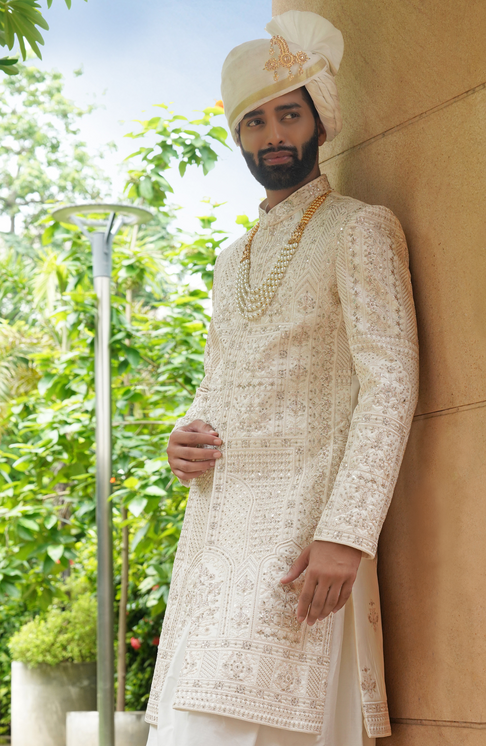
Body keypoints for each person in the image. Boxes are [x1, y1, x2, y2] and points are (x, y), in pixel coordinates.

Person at [145, 10, 419, 746]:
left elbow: (389, 384)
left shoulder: (358, 228)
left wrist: (345, 534)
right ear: (236, 135)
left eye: (288, 115)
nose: (272, 135)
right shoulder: (231, 258)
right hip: (212, 545)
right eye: (255, 121)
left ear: (319, 123)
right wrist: (185, 435)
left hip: (300, 541)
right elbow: (219, 379)